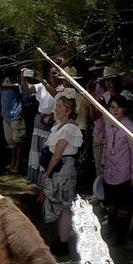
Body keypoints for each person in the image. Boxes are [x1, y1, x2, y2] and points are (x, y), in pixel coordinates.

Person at [38, 94, 83, 254]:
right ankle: (61, 238)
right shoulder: (59, 127)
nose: (56, 109)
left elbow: (57, 155)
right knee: (60, 205)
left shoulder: (69, 129)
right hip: (59, 168)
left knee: (64, 206)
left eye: (60, 107)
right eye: (56, 106)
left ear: (68, 110)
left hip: (63, 169)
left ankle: (64, 242)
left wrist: (48, 173)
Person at [100, 91, 133, 244]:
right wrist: (103, 162)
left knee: (123, 207)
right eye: (112, 107)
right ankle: (111, 230)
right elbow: (106, 144)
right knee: (111, 204)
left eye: (118, 108)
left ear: (124, 109)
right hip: (109, 171)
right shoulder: (108, 122)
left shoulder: (131, 128)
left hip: (124, 173)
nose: (115, 110)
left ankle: (121, 235)